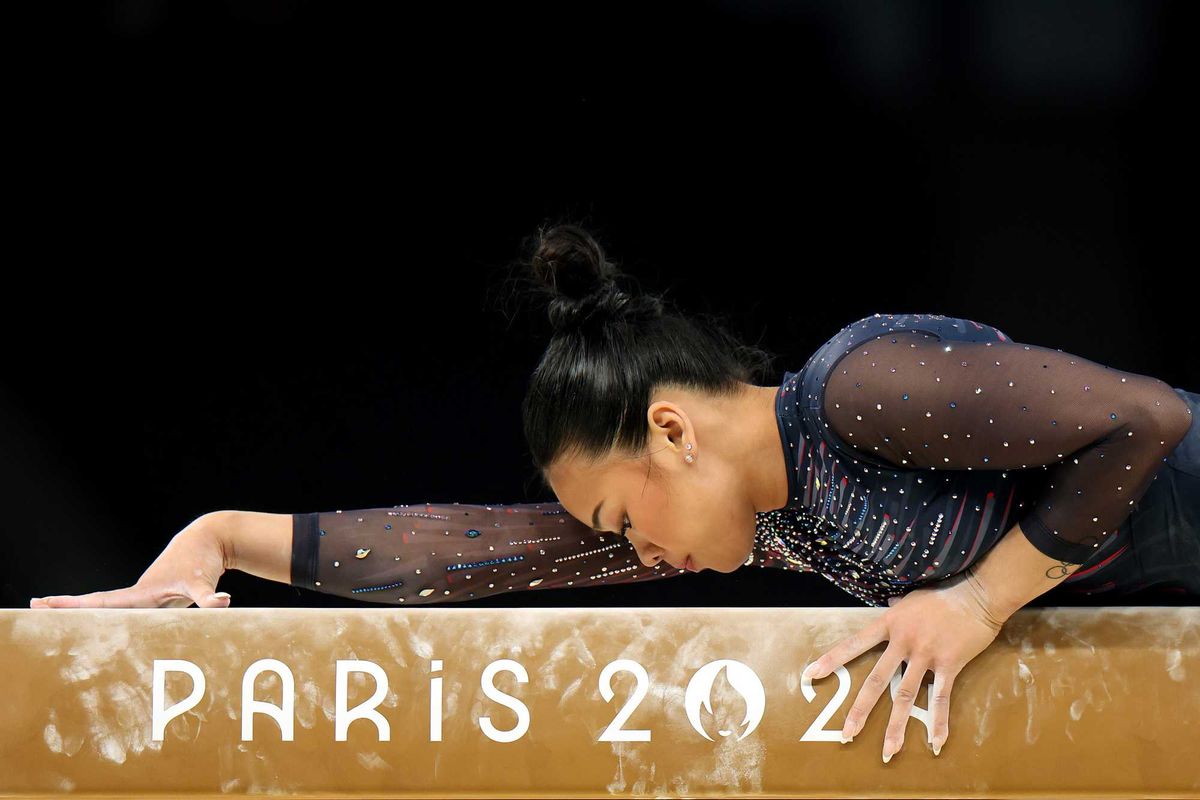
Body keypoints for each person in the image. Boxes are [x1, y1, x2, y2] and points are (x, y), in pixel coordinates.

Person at [30, 224, 1198, 611]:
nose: (632, 549)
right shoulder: (770, 520)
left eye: (620, 518)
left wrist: (977, 606)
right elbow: (474, 551)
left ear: (673, 431)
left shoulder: (859, 389)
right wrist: (221, 537)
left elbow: (1145, 420)